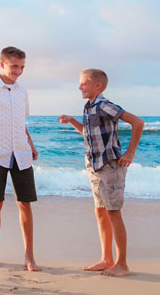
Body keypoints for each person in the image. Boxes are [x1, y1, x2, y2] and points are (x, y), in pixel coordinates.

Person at [58, 68, 145, 277]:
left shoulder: (105, 105)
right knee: (100, 211)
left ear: (98, 85)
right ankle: (106, 259)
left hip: (110, 166)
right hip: (94, 165)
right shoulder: (88, 107)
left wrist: (130, 153)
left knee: (113, 212)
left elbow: (138, 122)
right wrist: (72, 121)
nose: (79, 86)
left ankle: (122, 264)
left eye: (84, 83)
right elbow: (88, 133)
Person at [0, 46, 41, 272]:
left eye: (22, 67)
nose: (18, 71)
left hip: (21, 153)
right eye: (14, 66)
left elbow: (21, 123)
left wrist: (31, 145)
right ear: (2, 64)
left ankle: (29, 257)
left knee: (25, 204)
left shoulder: (23, 91)